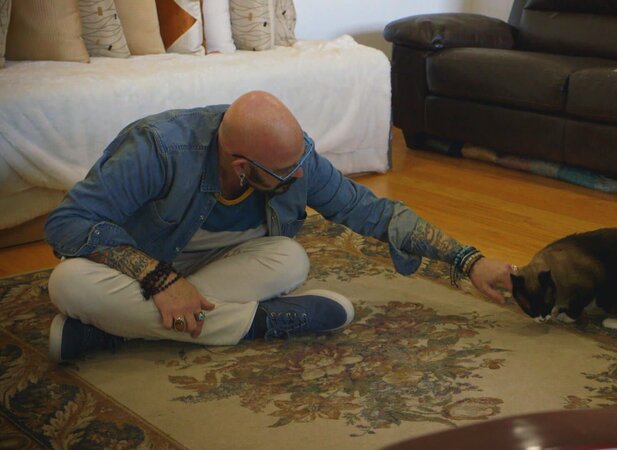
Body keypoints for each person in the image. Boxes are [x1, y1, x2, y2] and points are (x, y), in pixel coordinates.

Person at [44, 90, 513, 362]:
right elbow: (68, 222)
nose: (301, 175)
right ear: (242, 166)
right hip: (146, 266)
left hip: (218, 269)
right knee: (67, 282)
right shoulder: (159, 148)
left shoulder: (294, 158)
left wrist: (469, 260)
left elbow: (371, 211)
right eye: (288, 172)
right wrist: (159, 279)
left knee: (290, 259)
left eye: (302, 159)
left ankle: (112, 331)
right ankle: (258, 324)